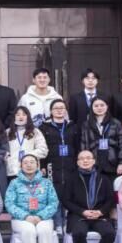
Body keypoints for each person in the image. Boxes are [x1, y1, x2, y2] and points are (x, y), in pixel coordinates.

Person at [5, 154, 59, 243]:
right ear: (21, 166)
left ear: (38, 165)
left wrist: (40, 216)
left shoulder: (46, 183)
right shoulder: (14, 183)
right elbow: (9, 204)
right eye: (25, 163)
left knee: (44, 229)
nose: (29, 165)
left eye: (32, 162)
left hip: (43, 218)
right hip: (21, 219)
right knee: (28, 229)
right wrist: (25, 216)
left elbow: (53, 202)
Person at [63, 150, 116, 243]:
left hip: (99, 215)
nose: (85, 161)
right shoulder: (71, 179)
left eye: (88, 158)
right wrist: (83, 211)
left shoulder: (103, 179)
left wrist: (100, 212)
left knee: (109, 233)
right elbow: (66, 200)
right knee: (79, 232)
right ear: (77, 162)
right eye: (82, 159)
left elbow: (110, 200)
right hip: (79, 215)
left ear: (93, 161)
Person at [40, 99, 80, 234]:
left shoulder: (73, 126)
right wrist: (42, 165)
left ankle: (67, 222)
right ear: (51, 111)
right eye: (56, 108)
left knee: (69, 193)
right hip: (52, 165)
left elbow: (78, 146)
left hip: (70, 164)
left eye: (62, 108)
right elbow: (42, 148)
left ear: (66, 110)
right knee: (54, 194)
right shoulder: (44, 128)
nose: (59, 110)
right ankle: (57, 223)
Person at [80, 96, 122, 181]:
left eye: (102, 105)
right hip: (94, 163)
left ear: (107, 106)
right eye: (96, 106)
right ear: (92, 108)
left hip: (113, 163)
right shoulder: (86, 125)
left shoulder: (115, 123)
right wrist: (86, 161)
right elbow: (84, 144)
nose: (99, 108)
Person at [5, 106, 48, 180]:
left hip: (31, 171)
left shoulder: (35, 131)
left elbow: (43, 150)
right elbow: (3, 150)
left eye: (24, 114)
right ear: (14, 117)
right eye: (18, 115)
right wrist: (8, 158)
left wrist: (28, 155)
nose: (21, 117)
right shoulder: (8, 132)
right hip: (12, 171)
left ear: (28, 117)